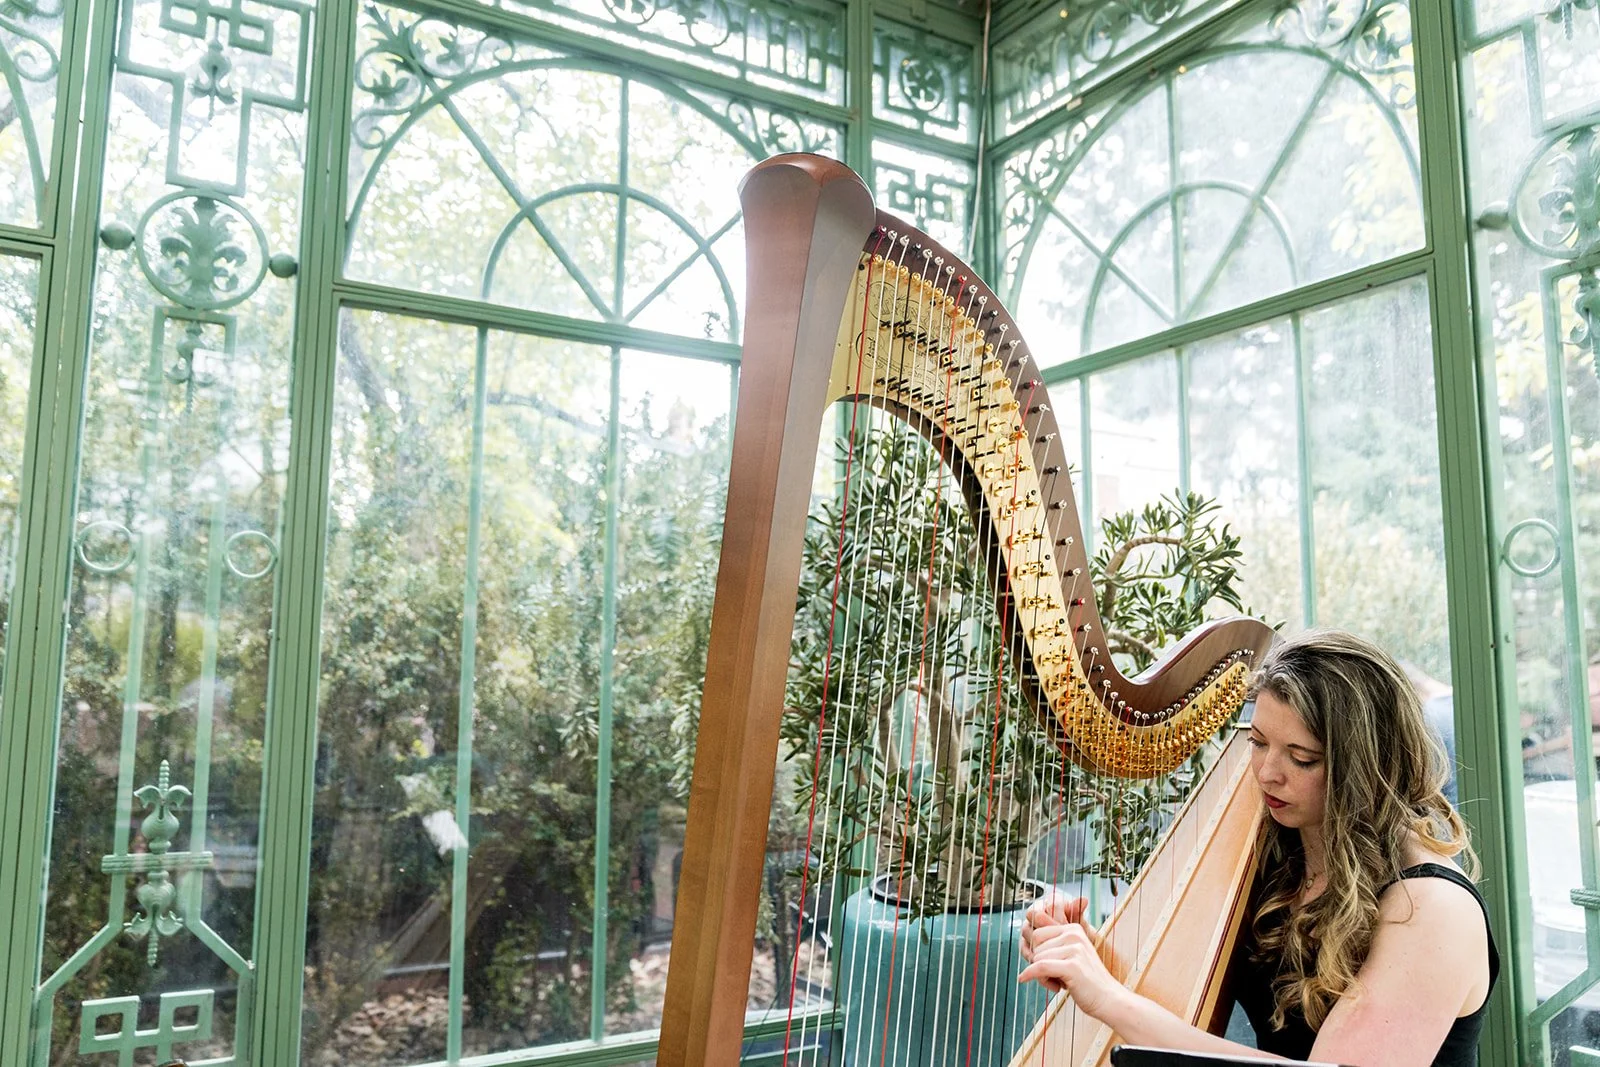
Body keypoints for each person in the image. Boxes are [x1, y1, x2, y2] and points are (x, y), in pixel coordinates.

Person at [1018, 629, 1499, 1066]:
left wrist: (1105, 995)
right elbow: (1170, 991)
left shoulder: (1434, 909)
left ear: (1365, 768)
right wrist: (1083, 948)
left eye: (1302, 758)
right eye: (1259, 742)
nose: (1268, 773)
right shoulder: (1271, 849)